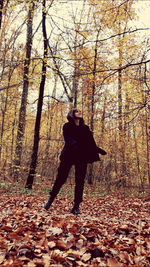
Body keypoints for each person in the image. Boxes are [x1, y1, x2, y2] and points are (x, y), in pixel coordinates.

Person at [44, 108, 107, 214]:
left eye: (80, 111)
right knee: (61, 178)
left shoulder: (85, 128)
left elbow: (91, 142)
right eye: (77, 111)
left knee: (80, 181)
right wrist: (76, 145)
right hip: (69, 155)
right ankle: (50, 199)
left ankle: (76, 206)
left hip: (82, 157)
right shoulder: (67, 126)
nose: (79, 113)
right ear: (72, 114)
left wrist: (99, 150)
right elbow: (67, 139)